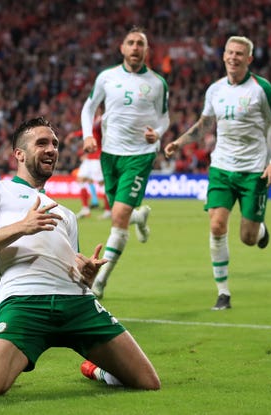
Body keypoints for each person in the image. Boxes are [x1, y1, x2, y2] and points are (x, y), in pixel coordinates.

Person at [0, 117, 160, 397]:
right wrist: (22, 226)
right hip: (24, 302)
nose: (52, 149)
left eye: (54, 144)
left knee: (148, 381)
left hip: (77, 304)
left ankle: (96, 370)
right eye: (41, 143)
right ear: (19, 153)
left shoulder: (65, 214)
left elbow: (76, 272)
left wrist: (86, 275)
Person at [164, 36, 271, 311]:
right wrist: (180, 141)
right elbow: (205, 123)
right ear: (223, 56)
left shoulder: (262, 89)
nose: (234, 57)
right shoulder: (215, 90)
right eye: (230, 52)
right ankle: (223, 293)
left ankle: (260, 231)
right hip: (221, 167)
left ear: (249, 59)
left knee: (248, 237)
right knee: (217, 225)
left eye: (240, 54)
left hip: (254, 171)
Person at [80, 26, 170, 299]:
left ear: (146, 50)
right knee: (123, 212)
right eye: (130, 43)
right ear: (122, 48)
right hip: (110, 154)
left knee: (117, 217)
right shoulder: (107, 77)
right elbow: (88, 107)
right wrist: (87, 135)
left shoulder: (157, 83)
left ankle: (100, 283)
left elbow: (164, 117)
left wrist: (159, 133)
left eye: (140, 43)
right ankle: (139, 216)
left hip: (140, 154)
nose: (134, 47)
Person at [64, 117, 111, 220]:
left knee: (102, 184)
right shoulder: (92, 122)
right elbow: (88, 131)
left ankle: (108, 211)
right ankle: (85, 209)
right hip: (90, 158)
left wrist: (74, 134)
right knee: (80, 178)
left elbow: (93, 128)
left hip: (97, 158)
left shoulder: (100, 121)